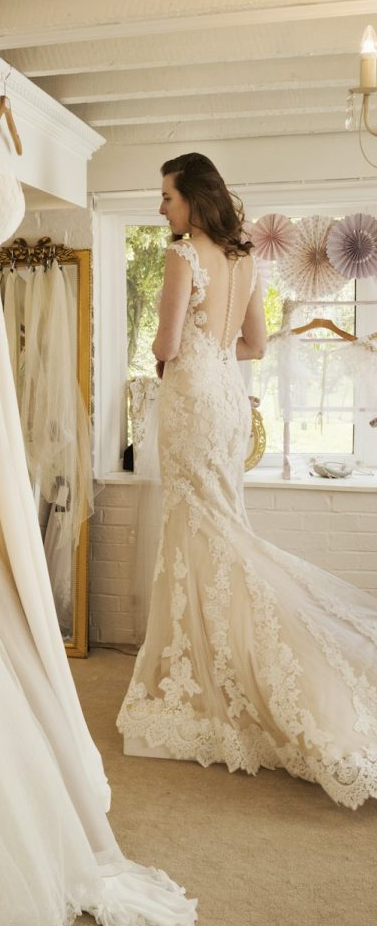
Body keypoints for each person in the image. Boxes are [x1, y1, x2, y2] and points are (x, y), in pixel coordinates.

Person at [117, 153, 377, 809]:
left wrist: (182, 352)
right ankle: (216, 664)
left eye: (167, 198)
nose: (161, 208)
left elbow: (167, 347)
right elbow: (256, 345)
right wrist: (211, 349)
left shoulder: (184, 256)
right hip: (228, 399)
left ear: (192, 200)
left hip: (193, 396)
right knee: (220, 529)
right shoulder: (243, 259)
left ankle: (207, 675)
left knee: (198, 531)